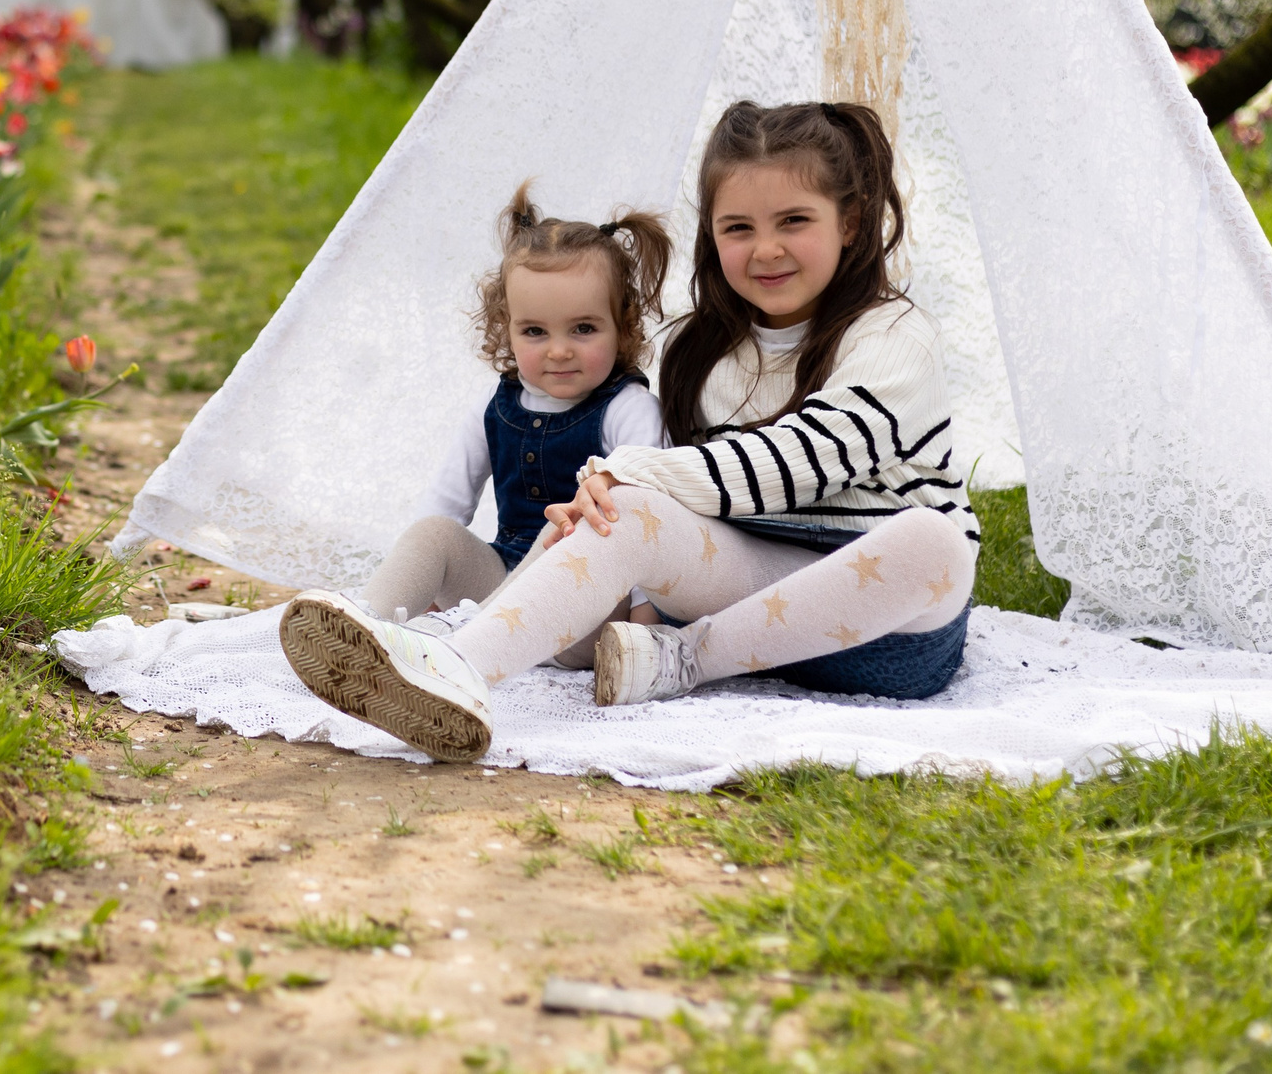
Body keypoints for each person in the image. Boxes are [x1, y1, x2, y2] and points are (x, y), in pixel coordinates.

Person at [278, 100, 977, 764]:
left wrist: (632, 472)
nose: (766, 248)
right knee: (630, 511)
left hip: (887, 627)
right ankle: (453, 669)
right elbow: (683, 499)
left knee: (934, 542)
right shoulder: (704, 353)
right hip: (752, 586)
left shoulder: (892, 335)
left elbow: (806, 460)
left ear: (850, 222)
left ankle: (688, 658)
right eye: (738, 227)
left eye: (793, 220)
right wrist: (604, 508)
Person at [343, 183, 670, 663]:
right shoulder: (494, 407)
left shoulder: (629, 409)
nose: (559, 350)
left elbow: (647, 523)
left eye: (583, 328)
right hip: (500, 580)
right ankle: (360, 636)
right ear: (506, 327)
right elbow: (448, 502)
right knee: (433, 531)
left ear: (622, 325)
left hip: (584, 612)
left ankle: (458, 660)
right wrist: (430, 580)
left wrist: (647, 616)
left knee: (562, 533)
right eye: (535, 331)